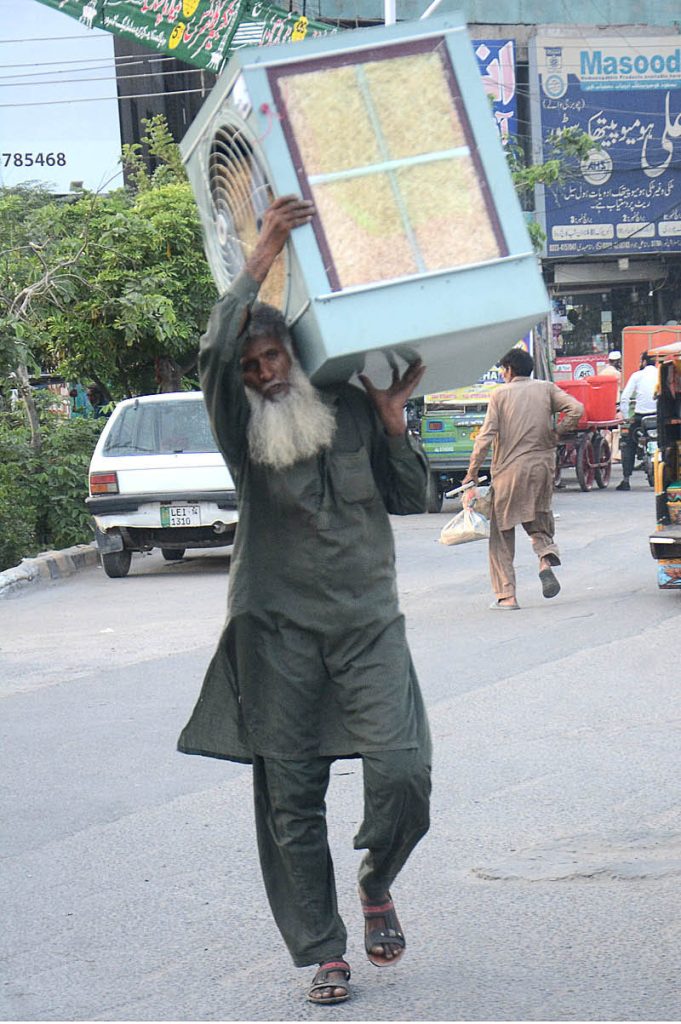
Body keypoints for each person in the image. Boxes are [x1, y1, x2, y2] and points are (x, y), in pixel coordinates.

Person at [177, 196, 432, 1007]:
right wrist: (264, 251)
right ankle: (324, 952)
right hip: (277, 636)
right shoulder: (242, 434)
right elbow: (213, 353)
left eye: (270, 356)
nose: (262, 373)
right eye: (250, 367)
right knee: (292, 801)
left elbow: (413, 497)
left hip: (366, 627)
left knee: (402, 773)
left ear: (292, 349)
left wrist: (394, 425)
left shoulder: (352, 408)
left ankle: (376, 879)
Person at [461, 347, 584, 610]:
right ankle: (545, 559)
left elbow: (484, 439)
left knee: (502, 534)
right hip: (542, 468)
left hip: (509, 473)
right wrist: (556, 433)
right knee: (539, 521)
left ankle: (507, 596)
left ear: (508, 370)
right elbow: (576, 408)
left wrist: (471, 474)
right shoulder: (546, 388)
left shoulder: (500, 395)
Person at [616, 351, 658, 491]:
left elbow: (625, 398)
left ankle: (626, 479)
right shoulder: (661, 374)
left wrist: (626, 415)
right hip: (659, 417)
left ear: (644, 362)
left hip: (640, 418)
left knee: (628, 443)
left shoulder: (637, 376)